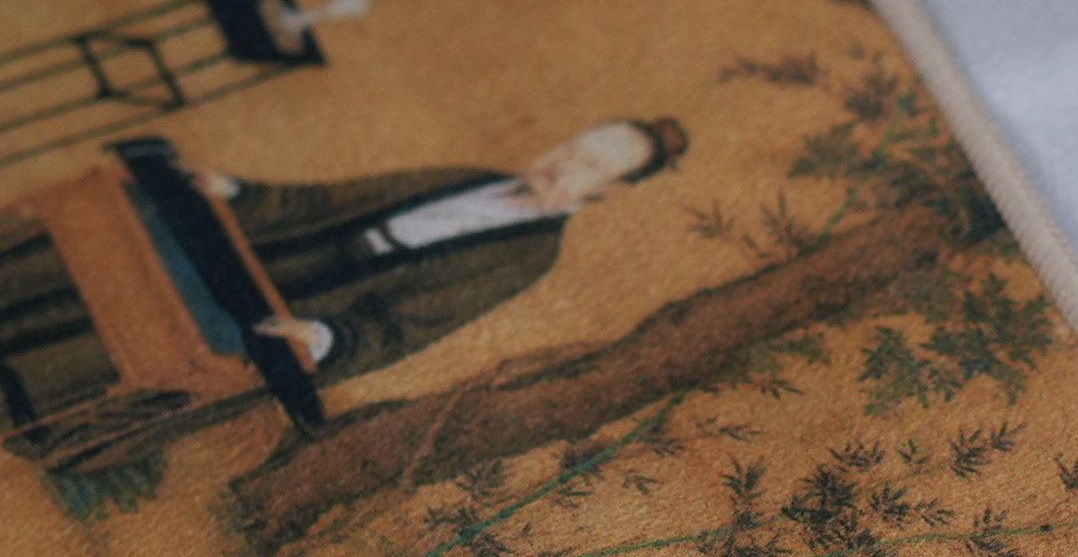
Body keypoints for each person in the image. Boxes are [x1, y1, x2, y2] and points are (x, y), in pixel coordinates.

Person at [0, 117, 688, 429]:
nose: (560, 163)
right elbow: (325, 202)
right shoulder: (465, 176)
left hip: (314, 305)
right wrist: (236, 190)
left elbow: (409, 325)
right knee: (128, 249)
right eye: (571, 145)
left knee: (154, 334)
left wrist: (327, 337)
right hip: (279, 252)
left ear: (606, 191)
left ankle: (23, 389)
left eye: (587, 166)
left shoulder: (527, 254)